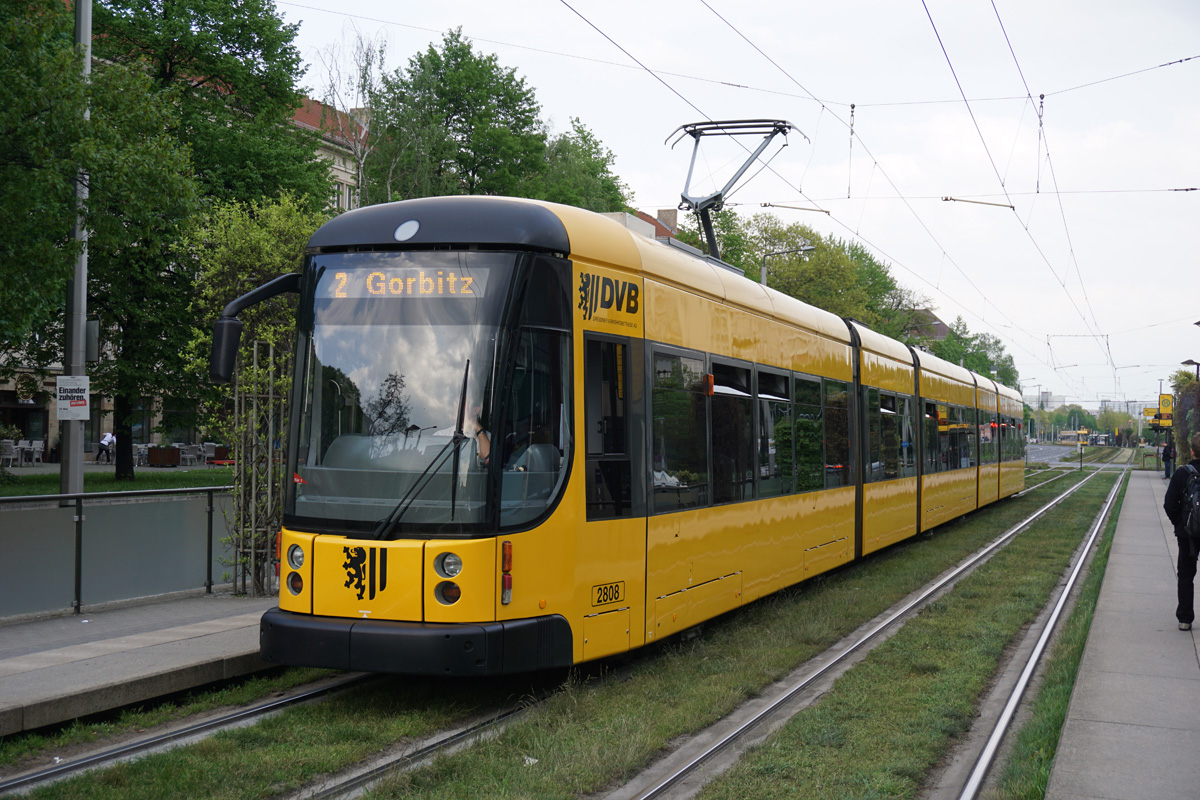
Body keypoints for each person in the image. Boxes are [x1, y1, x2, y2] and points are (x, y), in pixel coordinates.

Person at [1164, 432, 1200, 630]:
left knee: (1186, 574)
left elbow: (1169, 504)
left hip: (1187, 533)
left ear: (1192, 451)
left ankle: (1185, 618)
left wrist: (1180, 523)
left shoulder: (1182, 473)